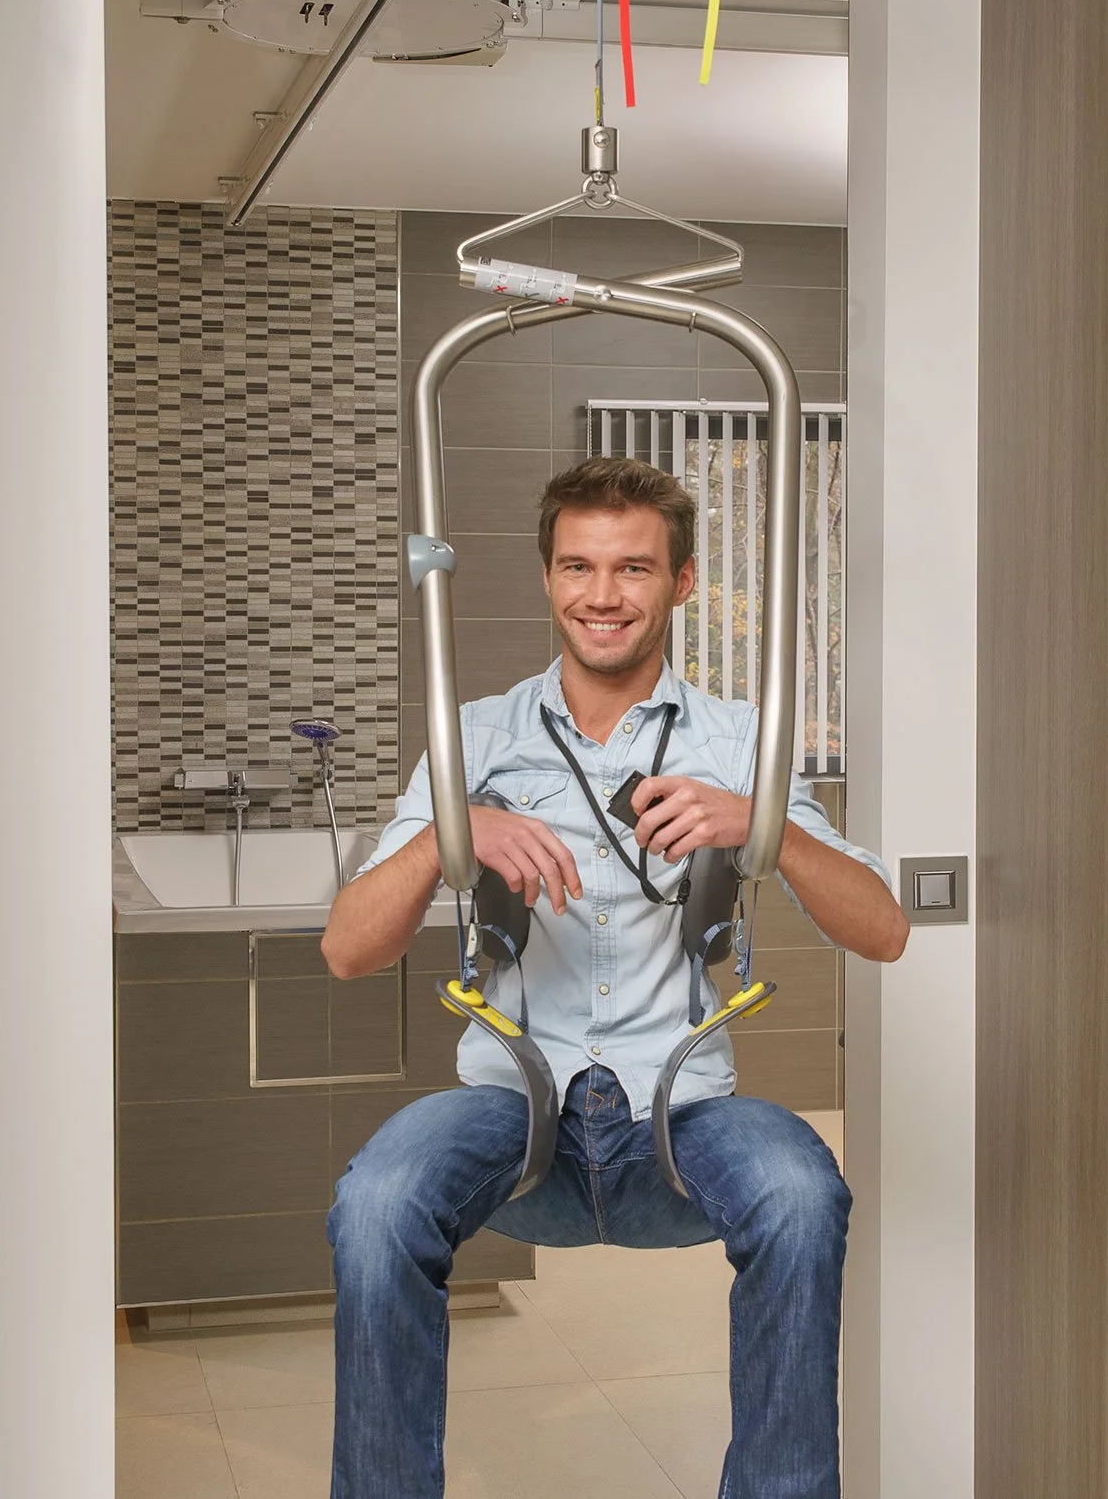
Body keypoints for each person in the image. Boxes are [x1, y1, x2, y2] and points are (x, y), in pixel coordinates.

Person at [321, 456, 909, 1499]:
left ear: (681, 583)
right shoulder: (475, 738)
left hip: (679, 1112)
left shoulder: (737, 742)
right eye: (578, 567)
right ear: (547, 579)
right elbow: (347, 949)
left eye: (633, 568)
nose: (602, 595)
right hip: (515, 1110)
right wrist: (457, 831)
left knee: (799, 1190)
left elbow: (883, 930)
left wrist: (754, 825)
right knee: (374, 1203)